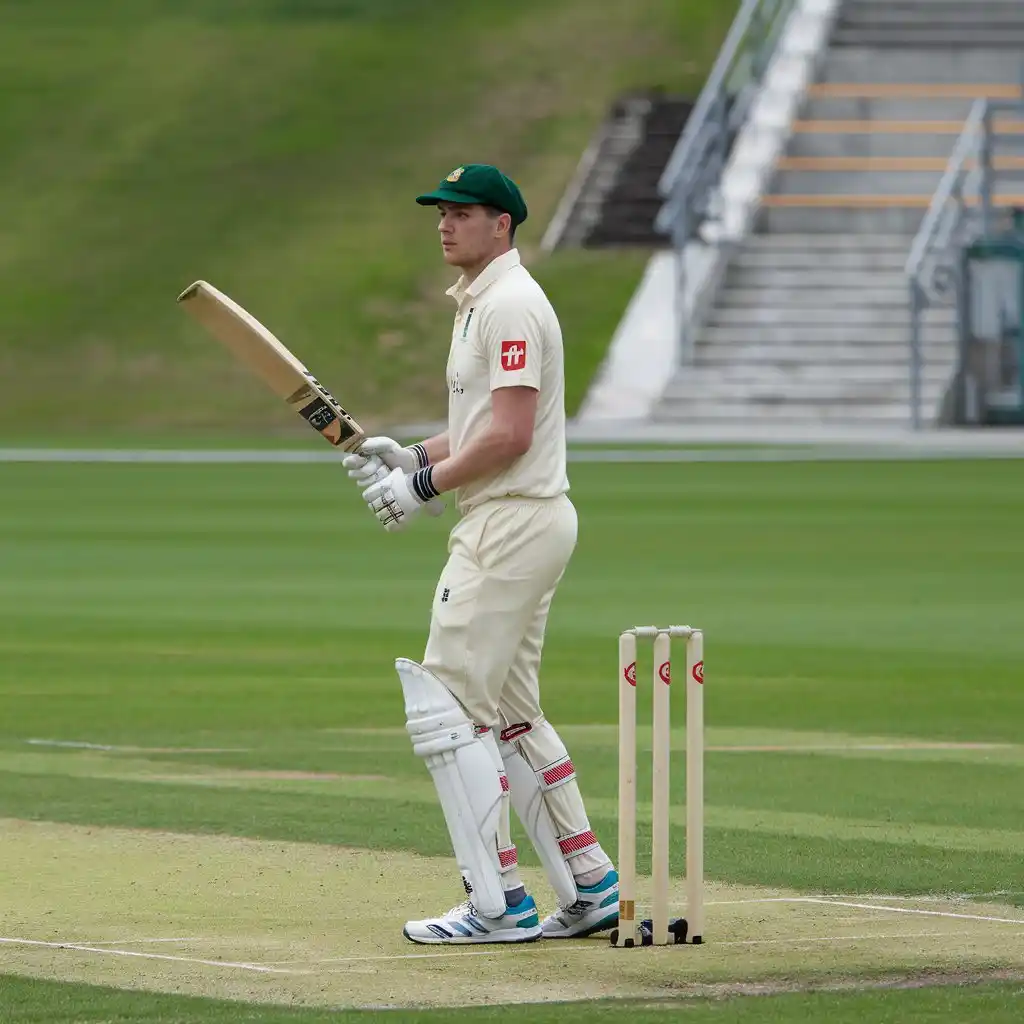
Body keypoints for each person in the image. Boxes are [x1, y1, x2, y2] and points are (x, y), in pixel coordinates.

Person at [342, 164, 618, 945]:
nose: (444, 222)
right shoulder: (481, 307)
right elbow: (479, 427)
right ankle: (590, 884)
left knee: (447, 710)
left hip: (510, 524)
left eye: (462, 212)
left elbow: (510, 436)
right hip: (524, 521)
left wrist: (423, 488)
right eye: (440, 210)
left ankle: (497, 904)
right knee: (510, 714)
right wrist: (412, 455)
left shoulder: (511, 307)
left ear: (502, 224)